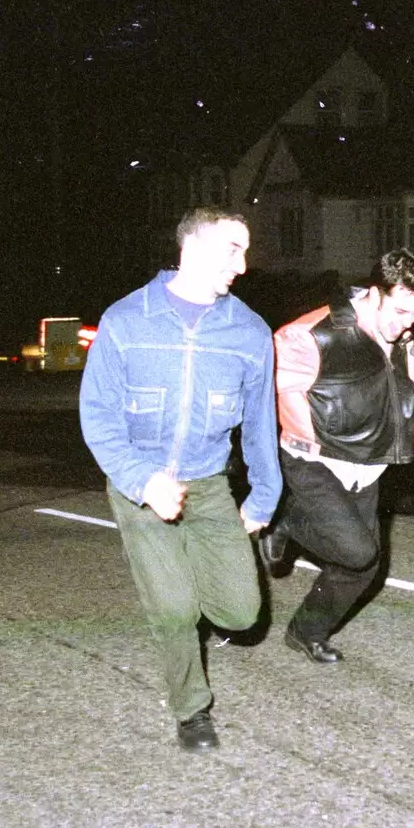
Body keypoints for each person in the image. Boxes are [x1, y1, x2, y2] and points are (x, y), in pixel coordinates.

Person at [79, 206, 281, 751]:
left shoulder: (248, 331)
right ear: (191, 249)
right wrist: (141, 480)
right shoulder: (126, 320)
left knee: (242, 613)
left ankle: (206, 589)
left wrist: (265, 497)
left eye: (245, 250)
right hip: (139, 484)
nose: (242, 264)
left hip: (210, 483)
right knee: (173, 608)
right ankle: (191, 709)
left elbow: (262, 422)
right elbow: (98, 416)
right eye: (232, 249)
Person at [260, 248, 414, 663]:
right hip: (314, 460)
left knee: (363, 566)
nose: (408, 323)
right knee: (358, 550)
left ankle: (306, 631)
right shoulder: (313, 334)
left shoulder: (404, 341)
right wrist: (323, 441)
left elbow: (405, 404)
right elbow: (274, 396)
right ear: (374, 294)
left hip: (367, 466)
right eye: (400, 311)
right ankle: (283, 517)